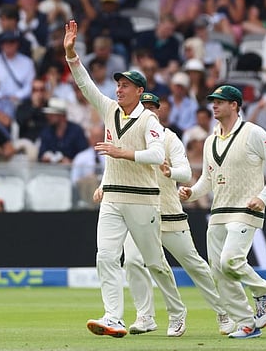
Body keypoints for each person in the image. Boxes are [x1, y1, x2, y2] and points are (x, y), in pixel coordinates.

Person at [64, 20, 186, 338]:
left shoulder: (149, 119)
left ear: (140, 91)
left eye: (126, 86)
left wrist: (123, 153)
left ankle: (177, 312)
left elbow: (158, 156)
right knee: (105, 255)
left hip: (143, 199)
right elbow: (85, 85)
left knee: (154, 262)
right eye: (118, 85)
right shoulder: (109, 109)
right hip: (114, 197)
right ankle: (113, 317)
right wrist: (71, 54)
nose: (118, 90)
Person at [110, 92, 236, 336]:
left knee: (194, 265)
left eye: (152, 108)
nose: (148, 112)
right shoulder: (127, 134)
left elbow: (186, 172)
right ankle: (152, 316)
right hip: (138, 210)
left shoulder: (169, 139)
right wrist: (103, 187)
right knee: (136, 262)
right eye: (143, 107)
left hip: (168, 212)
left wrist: (171, 173)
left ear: (158, 112)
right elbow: (117, 169)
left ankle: (223, 312)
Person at [179, 85, 266, 339]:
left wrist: (262, 198)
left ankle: (263, 291)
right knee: (219, 270)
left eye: (220, 101)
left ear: (235, 105)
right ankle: (246, 322)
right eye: (213, 101)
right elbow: (208, 179)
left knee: (231, 261)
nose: (214, 105)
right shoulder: (210, 140)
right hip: (218, 212)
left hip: (245, 208)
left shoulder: (253, 132)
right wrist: (192, 193)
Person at [38, 97, 89, 164]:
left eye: (52, 114)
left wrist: (70, 162)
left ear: (62, 115)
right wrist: (45, 158)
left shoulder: (76, 131)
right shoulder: (46, 131)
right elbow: (41, 155)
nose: (48, 116)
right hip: (49, 171)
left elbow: (85, 156)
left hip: (72, 172)